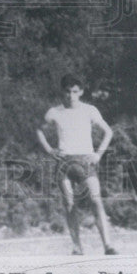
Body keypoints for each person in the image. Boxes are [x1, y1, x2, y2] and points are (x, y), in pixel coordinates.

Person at [37, 74, 117, 256]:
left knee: (96, 200)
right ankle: (77, 246)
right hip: (64, 161)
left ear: (80, 92)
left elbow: (108, 132)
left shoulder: (89, 110)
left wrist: (98, 154)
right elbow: (39, 130)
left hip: (85, 160)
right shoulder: (54, 112)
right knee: (69, 203)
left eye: (74, 91)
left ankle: (108, 245)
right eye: (67, 91)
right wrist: (50, 150)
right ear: (62, 91)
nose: (70, 96)